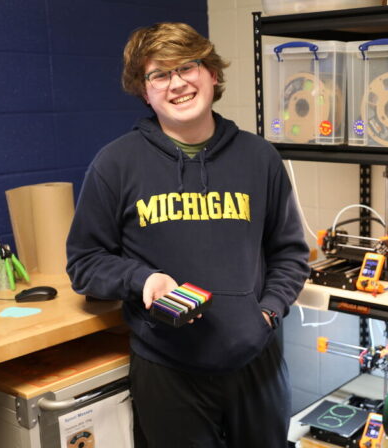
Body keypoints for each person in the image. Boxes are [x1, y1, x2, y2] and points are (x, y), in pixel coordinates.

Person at [66, 22, 310, 448]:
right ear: (144, 91)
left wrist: (267, 312)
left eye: (188, 67)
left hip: (257, 366)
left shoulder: (260, 158)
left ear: (212, 74)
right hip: (168, 370)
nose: (176, 83)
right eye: (159, 74)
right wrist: (143, 280)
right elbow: (84, 262)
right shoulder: (115, 164)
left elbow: (290, 253)